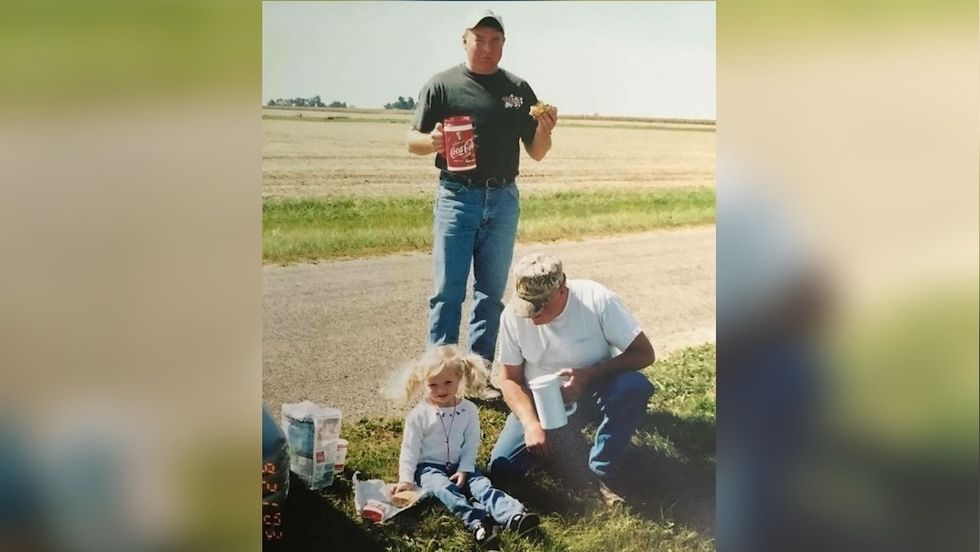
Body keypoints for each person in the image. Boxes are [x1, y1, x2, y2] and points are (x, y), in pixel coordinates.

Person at [406, 9, 558, 392]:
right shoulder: (442, 85)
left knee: (491, 294)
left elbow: (537, 152)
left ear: (503, 44)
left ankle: (480, 376)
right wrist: (434, 142)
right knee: (447, 293)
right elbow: (412, 140)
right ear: (465, 40)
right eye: (480, 39)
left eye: (495, 41)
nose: (487, 48)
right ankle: (437, 378)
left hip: (503, 197)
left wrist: (544, 129)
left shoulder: (518, 90)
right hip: (457, 196)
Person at [488, 253, 656, 505]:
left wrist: (590, 375)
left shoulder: (596, 299)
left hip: (595, 388)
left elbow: (645, 353)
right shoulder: (513, 315)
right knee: (503, 469)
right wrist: (530, 423)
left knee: (634, 387)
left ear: (562, 289)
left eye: (539, 307)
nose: (531, 317)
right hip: (540, 400)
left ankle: (601, 467)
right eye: (526, 306)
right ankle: (558, 441)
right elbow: (509, 379)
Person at [385, 345, 540, 546]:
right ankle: (477, 521)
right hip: (429, 468)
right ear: (424, 383)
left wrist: (465, 468)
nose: (441, 390)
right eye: (433, 385)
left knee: (482, 486)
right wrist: (406, 479)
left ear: (459, 379)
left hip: (461, 463)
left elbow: (471, 442)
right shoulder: (419, 415)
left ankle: (513, 515)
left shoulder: (468, 410)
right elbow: (409, 449)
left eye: (448, 382)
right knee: (444, 489)